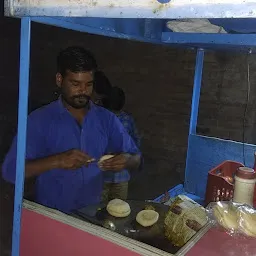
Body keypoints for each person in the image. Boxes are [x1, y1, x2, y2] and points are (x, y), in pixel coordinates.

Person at [2, 46, 142, 213]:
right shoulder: (39, 120)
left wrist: (126, 159)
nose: (83, 91)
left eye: (88, 84)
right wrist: (58, 160)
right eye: (75, 83)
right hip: (52, 215)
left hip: (91, 215)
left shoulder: (106, 119)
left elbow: (136, 158)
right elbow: (10, 171)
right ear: (60, 80)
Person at [101, 86, 141, 202]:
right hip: (119, 175)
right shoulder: (127, 120)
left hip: (104, 174)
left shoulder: (101, 119)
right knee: (118, 208)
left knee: (99, 208)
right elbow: (136, 141)